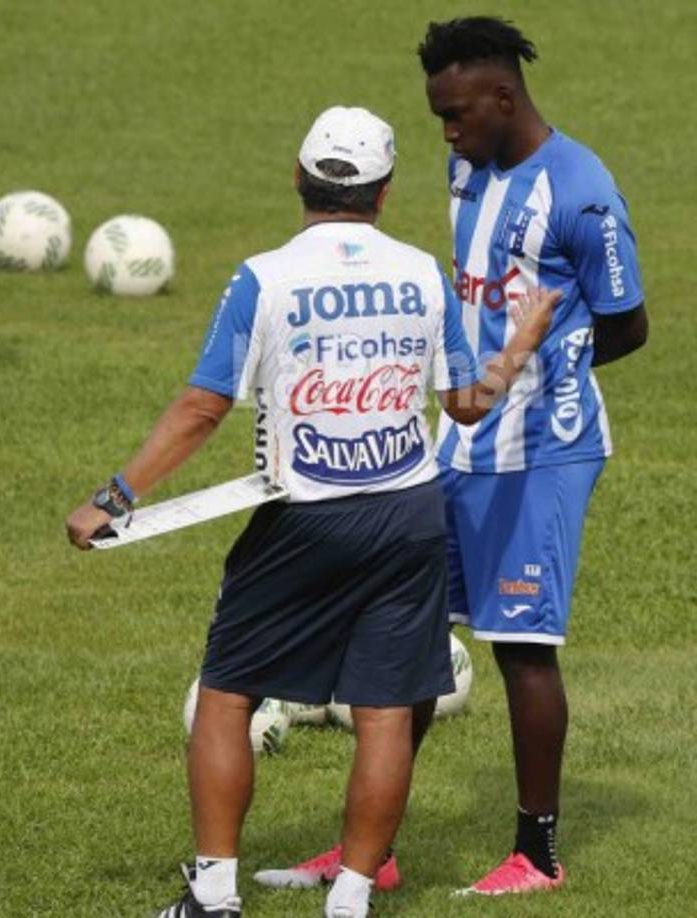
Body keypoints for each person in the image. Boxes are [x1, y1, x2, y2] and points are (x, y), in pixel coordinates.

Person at [66, 104, 559, 918]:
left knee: (228, 693)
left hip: (301, 521)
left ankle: (215, 897)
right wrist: (519, 344)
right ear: (384, 192)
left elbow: (201, 409)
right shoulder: (420, 273)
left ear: (298, 178)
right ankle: (353, 901)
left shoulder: (264, 278)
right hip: (407, 517)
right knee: (384, 711)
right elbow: (467, 405)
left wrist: (114, 498)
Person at [256, 15, 648, 902]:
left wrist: (547, 369)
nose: (446, 131)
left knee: (521, 647)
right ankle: (369, 851)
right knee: (405, 639)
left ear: (504, 97)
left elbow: (630, 321)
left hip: (542, 451)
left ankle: (537, 856)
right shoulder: (469, 164)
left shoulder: (582, 191)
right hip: (458, 437)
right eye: (438, 115)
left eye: (456, 113)